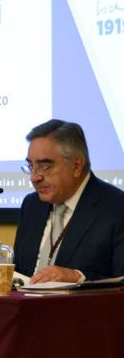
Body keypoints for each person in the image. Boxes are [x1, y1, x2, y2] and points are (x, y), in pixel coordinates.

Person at [14, 119, 124, 283]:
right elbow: (20, 270)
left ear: (77, 165)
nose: (34, 177)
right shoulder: (32, 205)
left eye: (45, 166)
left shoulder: (116, 207)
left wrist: (78, 277)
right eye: (31, 166)